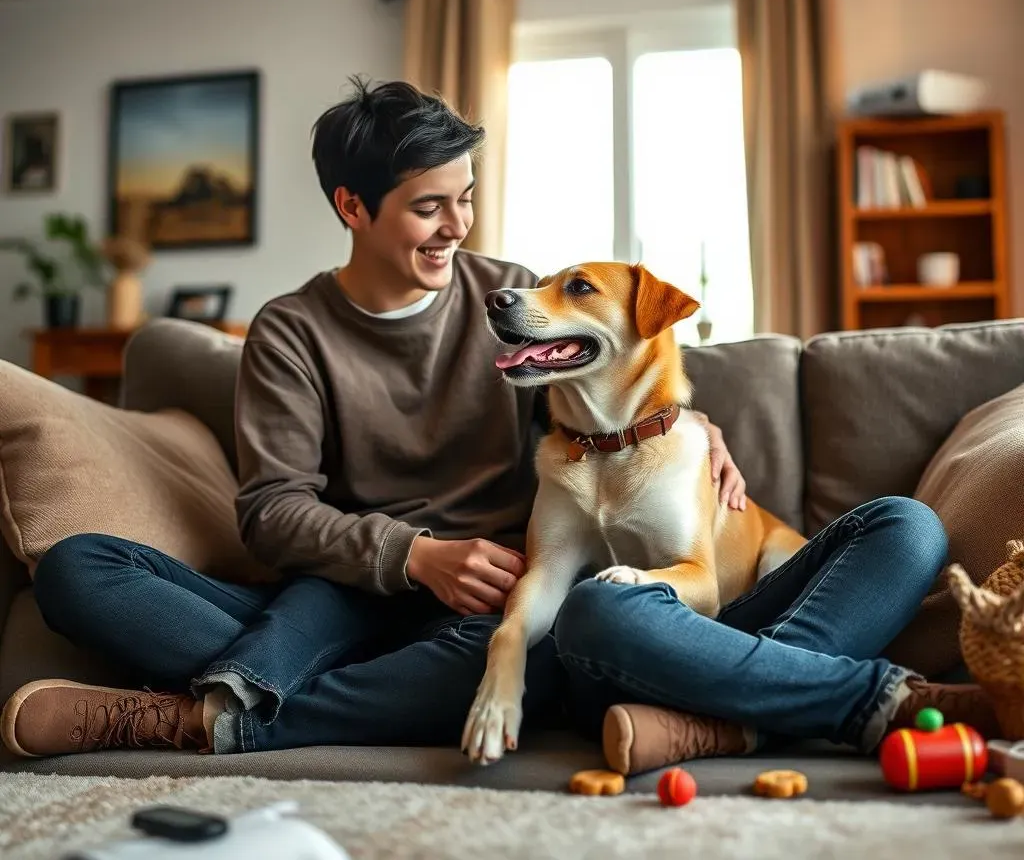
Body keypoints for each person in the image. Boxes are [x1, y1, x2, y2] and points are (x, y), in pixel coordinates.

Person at [1, 78, 998, 767]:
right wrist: (414, 554)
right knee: (81, 566)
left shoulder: (512, 297)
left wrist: (688, 424)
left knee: (898, 527)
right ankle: (810, 701)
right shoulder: (291, 332)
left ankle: (215, 716)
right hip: (366, 601)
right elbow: (267, 511)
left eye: (466, 199)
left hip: (491, 616)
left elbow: (618, 375)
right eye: (428, 207)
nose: (458, 227)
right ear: (352, 206)